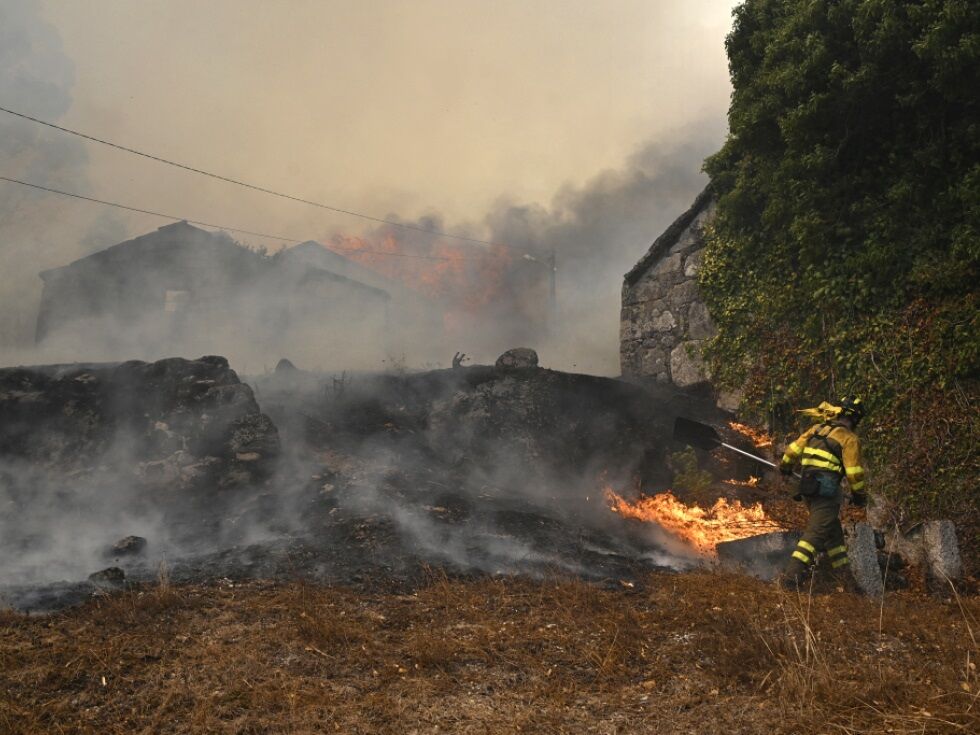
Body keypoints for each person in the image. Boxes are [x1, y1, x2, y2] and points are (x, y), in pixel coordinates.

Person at [778, 395, 867, 587]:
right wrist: (859, 496)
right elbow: (854, 473)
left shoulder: (817, 429)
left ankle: (846, 581)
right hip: (826, 494)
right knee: (815, 535)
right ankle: (790, 579)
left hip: (808, 489)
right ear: (856, 418)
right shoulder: (849, 438)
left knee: (833, 536)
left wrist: (785, 468)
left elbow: (791, 451)